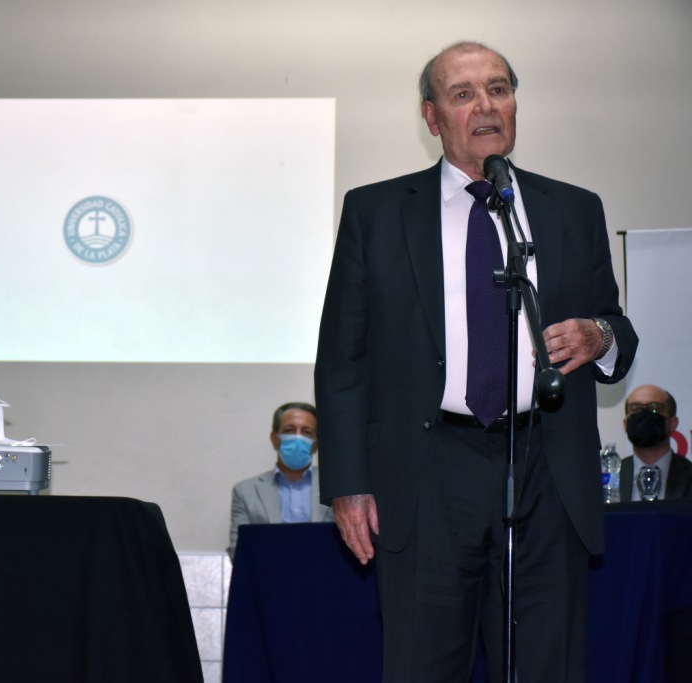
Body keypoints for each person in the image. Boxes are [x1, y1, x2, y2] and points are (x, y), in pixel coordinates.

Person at [315, 41, 637, 682]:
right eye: (463, 94)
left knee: (547, 666)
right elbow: (343, 360)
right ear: (431, 117)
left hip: (546, 468)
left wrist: (598, 336)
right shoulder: (376, 213)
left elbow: (617, 330)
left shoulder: (574, 210)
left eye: (499, 89)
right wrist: (348, 483)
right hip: (428, 473)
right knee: (422, 666)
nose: (486, 106)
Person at [227, 402, 334, 562]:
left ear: (316, 444)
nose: (298, 438)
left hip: (327, 580)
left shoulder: (335, 487)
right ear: (274, 439)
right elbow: (240, 552)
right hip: (267, 581)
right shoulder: (245, 491)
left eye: (307, 432)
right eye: (289, 430)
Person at [619, 384, 692, 501]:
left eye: (654, 408)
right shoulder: (608, 477)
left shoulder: (689, 474)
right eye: (635, 408)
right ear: (625, 424)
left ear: (673, 423)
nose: (643, 415)